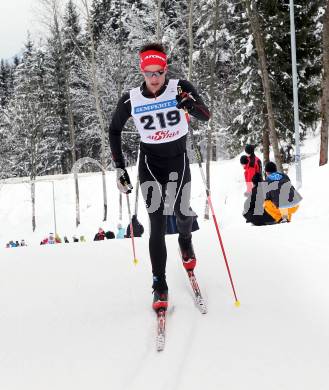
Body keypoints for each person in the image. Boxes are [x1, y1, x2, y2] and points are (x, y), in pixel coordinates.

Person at [109, 42, 210, 311]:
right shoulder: (131, 98)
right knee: (156, 225)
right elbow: (114, 130)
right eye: (148, 73)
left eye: (159, 72)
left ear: (166, 70)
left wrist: (188, 103)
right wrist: (120, 168)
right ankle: (159, 285)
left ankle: (186, 241)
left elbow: (205, 116)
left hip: (179, 162)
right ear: (142, 72)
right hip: (150, 166)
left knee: (183, 213)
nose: (154, 79)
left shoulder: (180, 87)